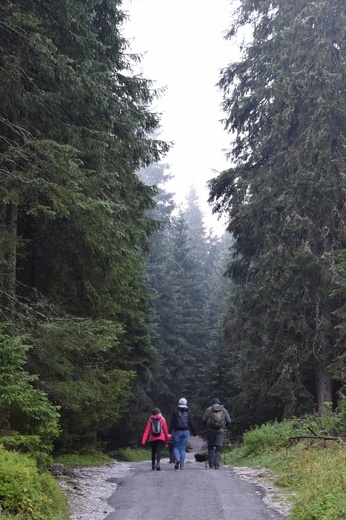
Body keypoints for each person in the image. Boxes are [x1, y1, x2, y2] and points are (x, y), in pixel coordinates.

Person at [169, 397, 198, 470]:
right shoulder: (188, 412)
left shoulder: (175, 411)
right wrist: (195, 433)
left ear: (179, 403)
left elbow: (172, 422)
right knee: (182, 449)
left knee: (175, 447)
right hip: (186, 431)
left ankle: (177, 459)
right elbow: (191, 423)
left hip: (177, 431)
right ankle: (181, 465)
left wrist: (169, 432)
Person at [202, 397, 231, 469]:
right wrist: (225, 426)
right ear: (219, 403)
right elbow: (229, 421)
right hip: (221, 431)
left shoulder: (209, 409)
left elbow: (204, 419)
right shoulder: (223, 410)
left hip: (211, 430)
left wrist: (206, 426)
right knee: (218, 447)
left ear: (213, 403)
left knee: (211, 446)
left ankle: (211, 464)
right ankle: (217, 464)